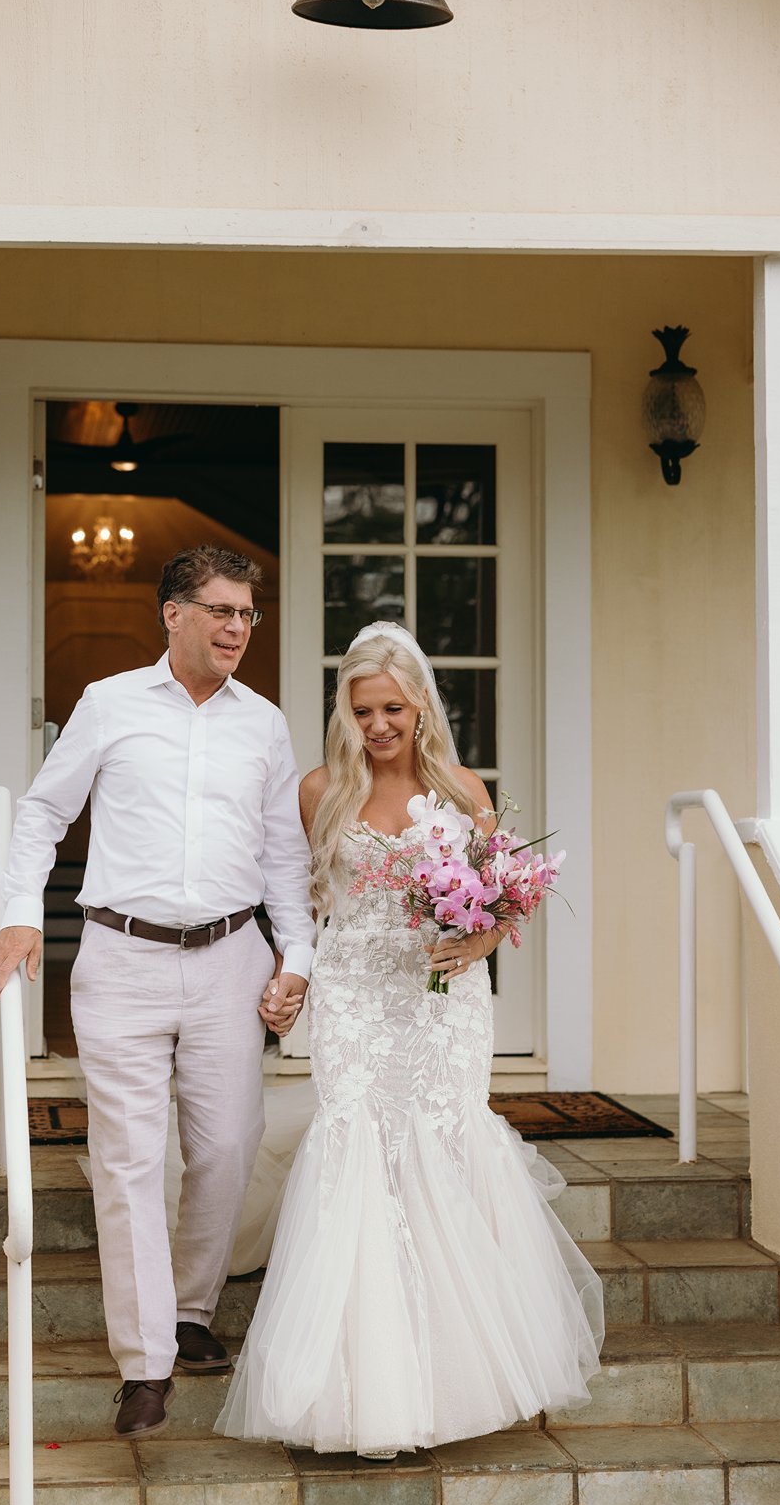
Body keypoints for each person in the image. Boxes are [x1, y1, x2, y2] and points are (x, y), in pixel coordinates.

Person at [216, 622, 604, 1457]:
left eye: (393, 707)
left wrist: (478, 941)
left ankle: (455, 1376)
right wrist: (293, 978)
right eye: (363, 711)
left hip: (443, 1000)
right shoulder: (320, 790)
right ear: (344, 715)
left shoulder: (466, 790)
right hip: (357, 994)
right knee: (358, 1145)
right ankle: (354, 1391)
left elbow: (504, 898)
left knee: (442, 1144)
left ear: (421, 705)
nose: (379, 724)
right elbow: (301, 903)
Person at [0, 545, 315, 1439]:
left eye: (247, 613)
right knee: (131, 1161)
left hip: (230, 957)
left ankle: (192, 1312)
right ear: (171, 614)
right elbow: (44, 810)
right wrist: (21, 912)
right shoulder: (109, 704)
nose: (236, 628)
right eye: (218, 610)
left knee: (226, 1146)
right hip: (121, 957)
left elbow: (285, 854)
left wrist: (297, 958)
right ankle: (145, 1366)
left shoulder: (266, 725)